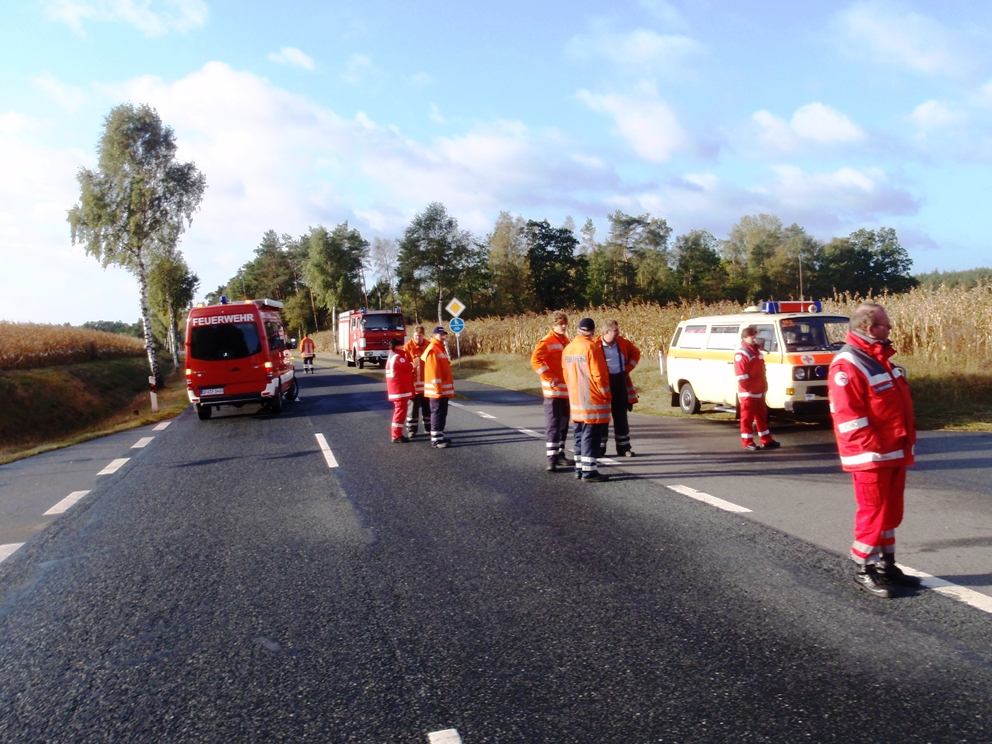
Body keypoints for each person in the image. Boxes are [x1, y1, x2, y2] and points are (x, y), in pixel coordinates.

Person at [828, 302, 920, 598]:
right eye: (886, 325)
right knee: (873, 512)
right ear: (870, 328)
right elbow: (848, 416)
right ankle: (863, 569)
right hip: (871, 455)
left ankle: (886, 565)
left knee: (890, 513)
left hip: (892, 451)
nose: (890, 330)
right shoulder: (849, 363)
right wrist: (874, 448)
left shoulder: (877, 357)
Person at [562, 317, 612, 482]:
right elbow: (600, 375)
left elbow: (565, 374)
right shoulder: (592, 347)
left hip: (576, 400)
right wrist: (606, 394)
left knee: (578, 434)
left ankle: (579, 468)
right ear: (593, 331)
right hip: (591, 400)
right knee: (591, 436)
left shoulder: (568, 349)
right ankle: (589, 472)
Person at [531, 312, 574, 472]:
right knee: (553, 425)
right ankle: (551, 459)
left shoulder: (566, 341)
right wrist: (549, 377)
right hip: (553, 392)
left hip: (566, 391)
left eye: (564, 323)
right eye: (559, 323)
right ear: (553, 325)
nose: (563, 326)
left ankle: (560, 454)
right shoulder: (547, 341)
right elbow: (535, 360)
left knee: (563, 425)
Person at [596, 319, 640, 457]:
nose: (618, 333)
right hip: (604, 383)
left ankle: (623, 447)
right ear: (606, 331)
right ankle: (600, 447)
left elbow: (636, 353)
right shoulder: (595, 345)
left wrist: (627, 369)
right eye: (615, 331)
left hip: (620, 381)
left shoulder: (622, 343)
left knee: (621, 416)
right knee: (603, 416)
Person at [735, 325, 781, 452]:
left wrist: (763, 387)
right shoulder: (742, 353)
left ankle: (767, 440)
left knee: (762, 417)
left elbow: (761, 372)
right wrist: (751, 389)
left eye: (755, 336)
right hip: (748, 393)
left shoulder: (757, 352)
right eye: (752, 337)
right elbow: (741, 375)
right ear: (745, 338)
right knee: (747, 418)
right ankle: (747, 442)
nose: (755, 339)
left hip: (758, 391)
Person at [422, 326, 455, 449]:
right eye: (441, 334)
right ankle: (436, 440)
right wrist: (437, 388)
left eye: (444, 334)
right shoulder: (433, 349)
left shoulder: (440, 348)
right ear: (434, 335)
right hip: (437, 390)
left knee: (442, 413)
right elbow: (433, 371)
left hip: (442, 389)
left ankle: (440, 435)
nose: (443, 336)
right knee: (437, 412)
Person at [403, 325, 431, 437]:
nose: (417, 338)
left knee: (427, 407)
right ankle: (411, 429)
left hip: (427, 385)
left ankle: (428, 427)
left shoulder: (429, 346)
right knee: (413, 408)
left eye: (419, 336)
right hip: (413, 385)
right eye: (415, 336)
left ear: (423, 335)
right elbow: (405, 366)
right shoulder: (408, 347)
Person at [385, 338, 414, 443]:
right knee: (400, 411)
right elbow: (409, 367)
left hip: (396, 389)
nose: (403, 347)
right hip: (399, 390)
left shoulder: (392, 356)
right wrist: (414, 362)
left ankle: (397, 433)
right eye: (401, 345)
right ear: (397, 346)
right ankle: (396, 435)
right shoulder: (398, 357)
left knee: (400, 411)